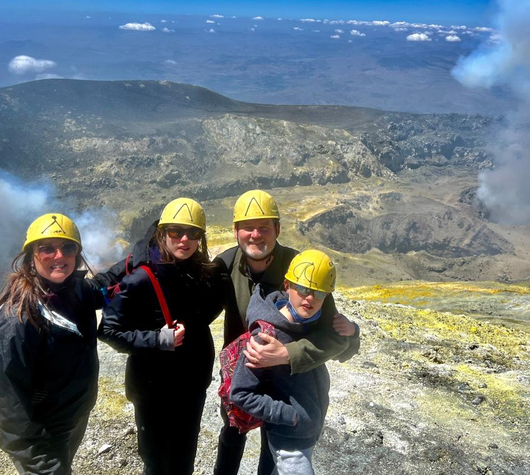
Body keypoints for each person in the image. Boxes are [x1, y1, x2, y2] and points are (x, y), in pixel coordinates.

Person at [214, 190, 359, 475]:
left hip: (286, 382)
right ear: (235, 231)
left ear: (277, 230)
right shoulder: (224, 265)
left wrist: (287, 354)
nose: (256, 235)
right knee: (233, 433)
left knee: (274, 445)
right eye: (247, 227)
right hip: (244, 375)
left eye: (264, 227)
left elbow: (334, 336)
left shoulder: (301, 269)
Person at [99, 197, 233, 475]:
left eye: (193, 233)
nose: (184, 239)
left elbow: (208, 312)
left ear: (201, 237)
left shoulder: (205, 272)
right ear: (162, 232)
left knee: (185, 455)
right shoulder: (140, 278)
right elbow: (109, 330)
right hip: (152, 387)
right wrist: (157, 339)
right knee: (157, 459)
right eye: (175, 231)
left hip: (192, 383)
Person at [0, 213, 119, 475]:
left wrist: (145, 251)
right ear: (31, 257)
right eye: (46, 249)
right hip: (41, 433)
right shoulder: (17, 318)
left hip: (72, 416)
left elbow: (105, 285)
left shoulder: (76, 291)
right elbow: (8, 400)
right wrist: (38, 461)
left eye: (68, 247)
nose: (59, 256)